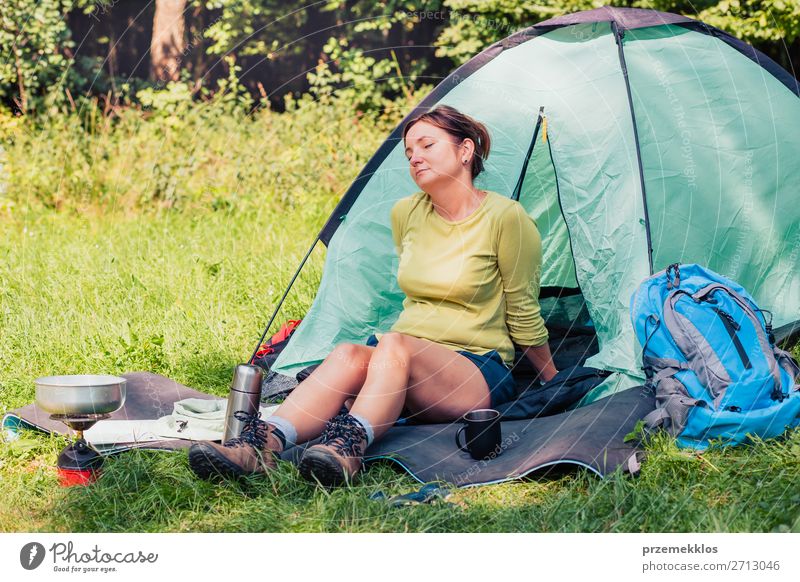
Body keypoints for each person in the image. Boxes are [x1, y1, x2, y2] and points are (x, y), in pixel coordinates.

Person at [188, 105, 558, 486]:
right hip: (398, 361)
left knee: (395, 344)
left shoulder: (506, 218)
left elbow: (522, 308)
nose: (415, 157)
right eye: (409, 151)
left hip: (474, 368)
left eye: (427, 145)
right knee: (349, 352)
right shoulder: (406, 213)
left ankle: (347, 447)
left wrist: (554, 381)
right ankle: (259, 446)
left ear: (465, 151)